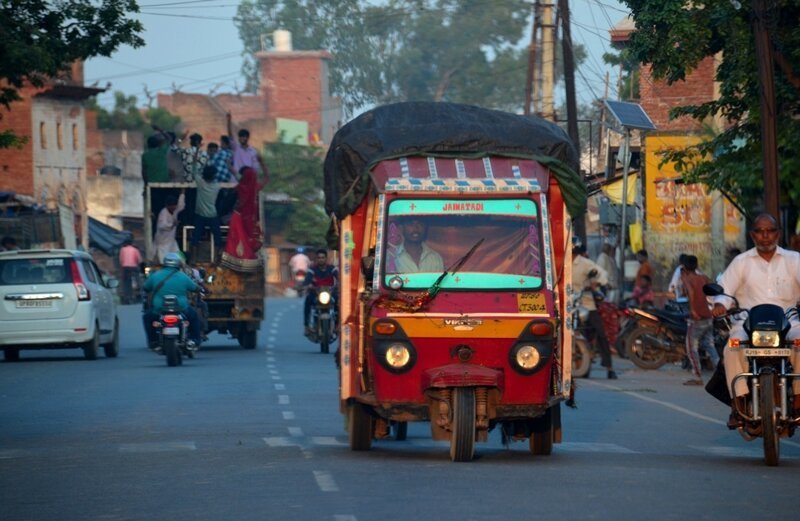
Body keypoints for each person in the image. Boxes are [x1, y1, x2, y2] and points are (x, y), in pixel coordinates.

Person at [712, 213, 800, 423]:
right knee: (732, 347)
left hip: (788, 321)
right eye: (760, 232)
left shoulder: (794, 260)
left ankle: (798, 398)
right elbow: (724, 291)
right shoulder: (741, 262)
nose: (765, 236)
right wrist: (718, 305)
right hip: (748, 322)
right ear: (753, 235)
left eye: (770, 231)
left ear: (777, 234)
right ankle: (739, 403)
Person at [572, 242, 617, 379]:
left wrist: (596, 283)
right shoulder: (559, 263)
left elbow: (602, 274)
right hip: (567, 304)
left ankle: (609, 367)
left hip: (586, 303)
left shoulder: (585, 263)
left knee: (601, 333)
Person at [142, 252, 202, 349]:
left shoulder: (155, 275)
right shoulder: (183, 276)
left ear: (165, 264)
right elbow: (194, 288)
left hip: (159, 309)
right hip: (181, 308)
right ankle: (194, 340)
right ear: (178, 264)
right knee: (194, 317)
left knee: (147, 318)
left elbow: (146, 287)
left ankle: (153, 342)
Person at [681, 255, 718, 386]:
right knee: (710, 345)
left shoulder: (687, 279)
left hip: (696, 318)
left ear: (684, 267)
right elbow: (712, 291)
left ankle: (697, 376)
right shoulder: (703, 278)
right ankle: (720, 371)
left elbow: (690, 293)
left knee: (691, 347)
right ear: (696, 266)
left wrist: (693, 310)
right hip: (708, 316)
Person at [190, 165, 223, 262]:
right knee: (218, 237)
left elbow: (194, 170)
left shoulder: (200, 183)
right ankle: (217, 259)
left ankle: (193, 258)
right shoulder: (217, 186)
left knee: (195, 237)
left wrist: (196, 153)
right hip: (212, 215)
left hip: (200, 215)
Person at [303, 249, 339, 336]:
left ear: (326, 258)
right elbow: (307, 281)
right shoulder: (312, 270)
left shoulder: (332, 268)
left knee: (338, 302)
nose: (321, 259)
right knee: (307, 301)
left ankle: (338, 325)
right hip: (316, 293)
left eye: (323, 257)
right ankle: (307, 326)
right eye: (319, 258)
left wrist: (339, 284)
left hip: (330, 293)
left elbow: (339, 278)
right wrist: (308, 285)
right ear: (316, 259)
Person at [227, 113, 269, 179]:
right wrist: (229, 121)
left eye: (244, 137)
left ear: (247, 138)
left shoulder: (253, 151)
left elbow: (255, 167)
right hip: (235, 179)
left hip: (247, 180)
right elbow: (230, 135)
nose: (242, 138)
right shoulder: (236, 148)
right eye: (240, 137)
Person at [236, 166, 267, 251]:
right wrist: (262, 164)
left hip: (242, 217)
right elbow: (266, 179)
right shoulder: (256, 187)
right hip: (251, 217)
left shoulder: (240, 187)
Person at [153, 192, 185, 263]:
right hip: (163, 242)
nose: (174, 207)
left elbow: (181, 206)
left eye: (174, 206)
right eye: (172, 206)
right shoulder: (163, 213)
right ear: (167, 205)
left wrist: (182, 194)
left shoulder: (175, 211)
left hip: (172, 240)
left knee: (180, 258)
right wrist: (172, 224)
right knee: (163, 260)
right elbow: (162, 226)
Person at [118, 238, 142, 304]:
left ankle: (127, 296)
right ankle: (139, 290)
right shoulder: (135, 249)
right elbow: (139, 260)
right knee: (138, 279)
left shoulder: (122, 249)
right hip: (134, 267)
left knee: (126, 282)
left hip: (125, 267)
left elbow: (121, 260)